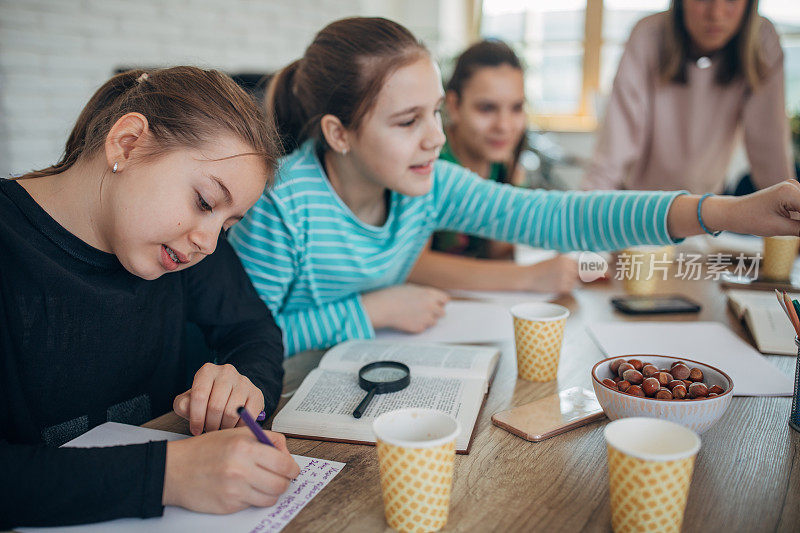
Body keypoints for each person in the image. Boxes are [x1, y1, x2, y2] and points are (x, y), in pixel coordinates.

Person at [228, 16, 800, 358]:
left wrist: (728, 211)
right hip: (279, 400)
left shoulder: (426, 184)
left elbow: (560, 219)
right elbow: (242, 345)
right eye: (408, 122)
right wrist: (373, 307)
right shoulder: (284, 205)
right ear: (339, 133)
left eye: (434, 113)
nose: (435, 139)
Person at [0, 67, 300, 529]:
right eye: (204, 201)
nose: (210, 242)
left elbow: (253, 329)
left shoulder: (184, 245)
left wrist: (244, 383)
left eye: (228, 224)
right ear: (127, 143)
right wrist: (168, 476)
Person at [409, 39, 580, 294]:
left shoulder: (503, 163)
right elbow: (413, 265)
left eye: (516, 108)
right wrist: (528, 277)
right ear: (454, 106)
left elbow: (498, 250)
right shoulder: (428, 161)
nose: (504, 125)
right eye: (487, 108)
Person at [582, 0, 795, 194]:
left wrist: (790, 217)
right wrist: (585, 209)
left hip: (707, 210)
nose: (716, 14)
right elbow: (615, 146)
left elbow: (771, 152)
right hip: (642, 207)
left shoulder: (762, 42)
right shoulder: (648, 36)